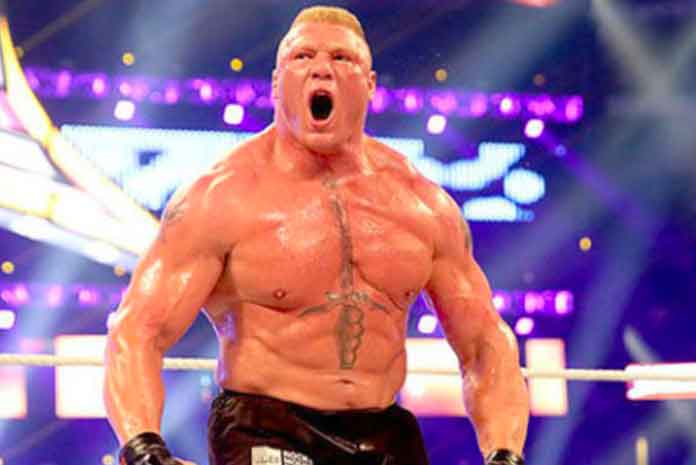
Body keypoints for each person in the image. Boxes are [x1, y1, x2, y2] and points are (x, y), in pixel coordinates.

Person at [104, 6, 529, 465]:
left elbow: (483, 342)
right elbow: (138, 330)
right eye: (303, 56)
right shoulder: (220, 198)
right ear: (277, 83)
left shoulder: (423, 206)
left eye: (342, 58)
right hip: (263, 425)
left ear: (369, 84)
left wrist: (504, 454)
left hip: (383, 431)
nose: (322, 68)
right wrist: (144, 449)